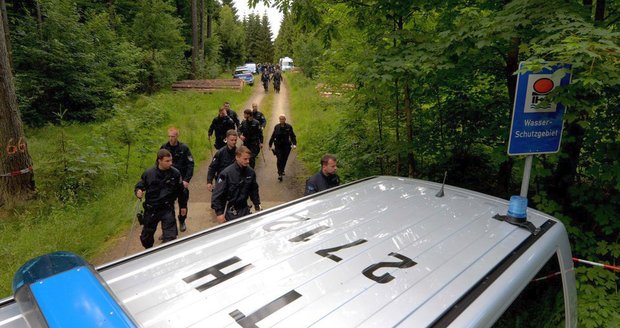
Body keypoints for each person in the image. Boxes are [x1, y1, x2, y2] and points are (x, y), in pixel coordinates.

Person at [135, 149, 184, 248]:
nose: (170, 163)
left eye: (171, 160)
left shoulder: (175, 173)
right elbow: (140, 185)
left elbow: (181, 192)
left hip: (167, 208)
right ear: (159, 160)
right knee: (146, 239)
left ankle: (167, 254)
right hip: (151, 209)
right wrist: (138, 191)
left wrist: (183, 206)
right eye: (167, 161)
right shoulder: (149, 174)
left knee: (171, 238)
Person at [211, 146, 261, 223]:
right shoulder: (226, 174)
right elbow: (216, 195)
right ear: (237, 157)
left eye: (248, 159)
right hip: (230, 210)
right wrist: (219, 213)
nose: (248, 161)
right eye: (245, 159)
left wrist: (257, 206)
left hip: (244, 209)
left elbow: (254, 191)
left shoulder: (251, 172)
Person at [160, 127, 194, 232]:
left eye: (173, 136)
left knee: (183, 205)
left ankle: (182, 220)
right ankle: (168, 228)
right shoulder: (164, 148)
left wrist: (186, 180)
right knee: (166, 207)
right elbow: (158, 164)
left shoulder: (184, 148)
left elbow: (190, 164)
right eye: (169, 136)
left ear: (177, 136)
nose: (170, 139)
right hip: (168, 183)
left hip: (181, 181)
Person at [268, 115, 297, 181]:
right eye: (280, 119)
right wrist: (270, 144)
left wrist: (294, 144)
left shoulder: (289, 127)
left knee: (284, 159)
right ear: (279, 120)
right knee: (279, 158)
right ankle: (280, 173)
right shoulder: (277, 127)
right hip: (278, 146)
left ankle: (282, 169)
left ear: (285, 119)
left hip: (286, 146)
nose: (281, 120)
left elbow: (292, 136)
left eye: (283, 119)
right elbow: (273, 136)